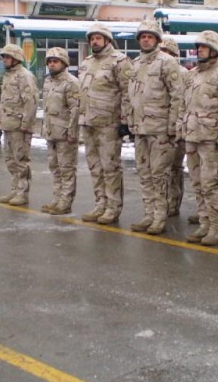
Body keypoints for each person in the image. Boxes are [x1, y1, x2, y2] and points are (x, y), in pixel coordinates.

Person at [177, 30, 218, 246]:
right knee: (197, 183)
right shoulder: (193, 74)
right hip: (193, 136)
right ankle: (204, 223)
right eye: (198, 47)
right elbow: (183, 106)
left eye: (204, 47)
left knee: (210, 184)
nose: (199, 50)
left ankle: (215, 227)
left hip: (213, 140)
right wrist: (182, 129)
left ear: (215, 50)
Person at [127, 20, 182, 236]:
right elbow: (130, 95)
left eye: (150, 36)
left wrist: (172, 127)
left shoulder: (167, 63)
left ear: (157, 40)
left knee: (159, 175)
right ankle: (149, 214)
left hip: (160, 130)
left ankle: (160, 216)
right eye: (143, 36)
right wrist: (130, 122)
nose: (146, 39)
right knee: (144, 173)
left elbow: (177, 95)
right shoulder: (135, 64)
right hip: (140, 129)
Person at [78, 23, 132, 225]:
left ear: (107, 40)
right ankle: (100, 203)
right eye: (92, 38)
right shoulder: (87, 63)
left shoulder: (119, 61)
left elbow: (128, 92)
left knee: (110, 168)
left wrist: (125, 121)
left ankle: (113, 207)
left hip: (109, 123)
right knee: (95, 167)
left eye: (98, 38)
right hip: (89, 123)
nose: (94, 41)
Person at [0, 43, 38, 206]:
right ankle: (14, 189)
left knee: (21, 160)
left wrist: (26, 124)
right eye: (4, 57)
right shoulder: (8, 75)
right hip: (8, 124)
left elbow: (31, 101)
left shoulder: (24, 76)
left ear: (16, 58)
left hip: (19, 126)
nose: (5, 60)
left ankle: (22, 192)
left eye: (7, 57)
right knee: (10, 160)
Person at [41, 47, 80, 215]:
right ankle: (56, 199)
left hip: (65, 133)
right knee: (54, 168)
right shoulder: (48, 81)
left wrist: (72, 131)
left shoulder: (71, 82)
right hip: (51, 131)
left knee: (66, 169)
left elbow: (75, 109)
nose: (51, 64)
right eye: (49, 61)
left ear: (64, 63)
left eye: (55, 61)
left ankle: (65, 202)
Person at [160, 37, 189, 217]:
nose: (165, 55)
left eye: (169, 52)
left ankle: (173, 203)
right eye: (163, 51)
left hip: (178, 128)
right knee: (159, 170)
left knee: (174, 168)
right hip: (158, 126)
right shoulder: (154, 70)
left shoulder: (184, 74)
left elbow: (183, 101)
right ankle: (161, 203)